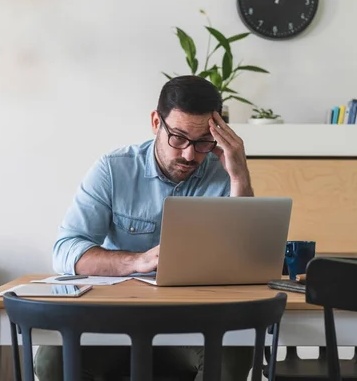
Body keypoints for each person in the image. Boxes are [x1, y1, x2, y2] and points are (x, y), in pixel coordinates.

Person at [35, 75, 255, 381]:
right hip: (113, 317)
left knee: (233, 355)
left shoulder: (225, 175)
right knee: (52, 360)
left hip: (196, 319)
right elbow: (66, 250)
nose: (190, 154)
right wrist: (138, 261)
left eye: (203, 141)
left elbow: (245, 261)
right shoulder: (114, 168)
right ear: (156, 122)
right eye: (178, 137)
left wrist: (240, 173)